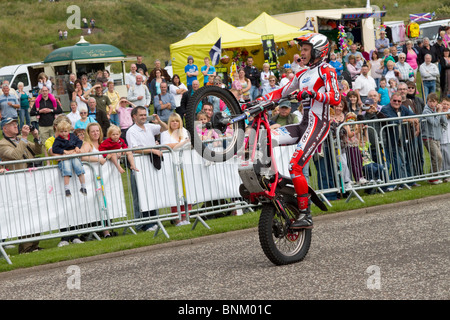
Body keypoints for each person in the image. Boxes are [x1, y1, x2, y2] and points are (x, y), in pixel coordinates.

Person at [260, 33, 341, 229]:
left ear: (317, 50)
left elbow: (336, 97)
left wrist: (313, 93)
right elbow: (281, 92)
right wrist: (259, 101)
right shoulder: (302, 74)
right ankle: (271, 181)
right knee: (265, 137)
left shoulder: (326, 70)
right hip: (303, 124)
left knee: (295, 166)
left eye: (305, 49)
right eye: (301, 49)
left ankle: (306, 214)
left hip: (319, 124)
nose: (301, 53)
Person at [0, 118, 42, 253]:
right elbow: (16, 155)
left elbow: (38, 150)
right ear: (4, 129)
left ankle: (35, 244)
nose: (15, 126)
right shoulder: (2, 144)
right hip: (17, 184)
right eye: (11, 124)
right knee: (24, 215)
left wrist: (36, 137)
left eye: (15, 123)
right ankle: (25, 247)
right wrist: (24, 137)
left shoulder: (19, 140)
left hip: (30, 180)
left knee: (35, 212)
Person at [126, 106, 168, 232]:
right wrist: (152, 150)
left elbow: (165, 129)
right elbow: (134, 149)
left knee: (152, 193)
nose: (144, 117)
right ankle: (144, 224)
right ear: (134, 116)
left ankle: (154, 220)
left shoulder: (149, 126)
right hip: (139, 167)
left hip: (151, 165)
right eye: (141, 115)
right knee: (141, 196)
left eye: (145, 114)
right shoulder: (131, 131)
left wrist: (159, 121)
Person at [380, 92, 420, 183]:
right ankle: (389, 183)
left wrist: (416, 121)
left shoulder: (402, 108)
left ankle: (397, 182)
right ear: (391, 100)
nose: (397, 102)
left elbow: (414, 115)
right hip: (388, 142)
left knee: (400, 163)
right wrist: (408, 119)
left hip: (399, 141)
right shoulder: (385, 109)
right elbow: (392, 121)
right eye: (395, 100)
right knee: (390, 164)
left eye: (399, 101)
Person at [51, 121, 86, 197]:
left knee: (78, 166)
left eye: (65, 131)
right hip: (65, 158)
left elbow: (79, 142)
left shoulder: (73, 136)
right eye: (61, 131)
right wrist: (64, 151)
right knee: (66, 168)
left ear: (69, 130)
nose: (64, 133)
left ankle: (83, 186)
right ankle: (67, 188)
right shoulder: (58, 140)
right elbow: (54, 149)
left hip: (73, 156)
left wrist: (77, 147)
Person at [422, 93, 447, 184]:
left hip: (437, 137)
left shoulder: (436, 110)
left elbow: (444, 122)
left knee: (435, 158)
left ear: (437, 102)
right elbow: (435, 123)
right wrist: (439, 112)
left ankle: (433, 177)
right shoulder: (426, 111)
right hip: (428, 138)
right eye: (430, 101)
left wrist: (441, 111)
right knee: (438, 157)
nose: (432, 104)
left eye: (434, 102)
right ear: (427, 101)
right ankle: (433, 178)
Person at [440, 97, 450, 180]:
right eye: (444, 104)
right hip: (442, 139)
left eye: (447, 104)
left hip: (448, 139)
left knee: (448, 158)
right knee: (442, 158)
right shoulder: (438, 112)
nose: (445, 106)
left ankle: (447, 174)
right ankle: (443, 174)